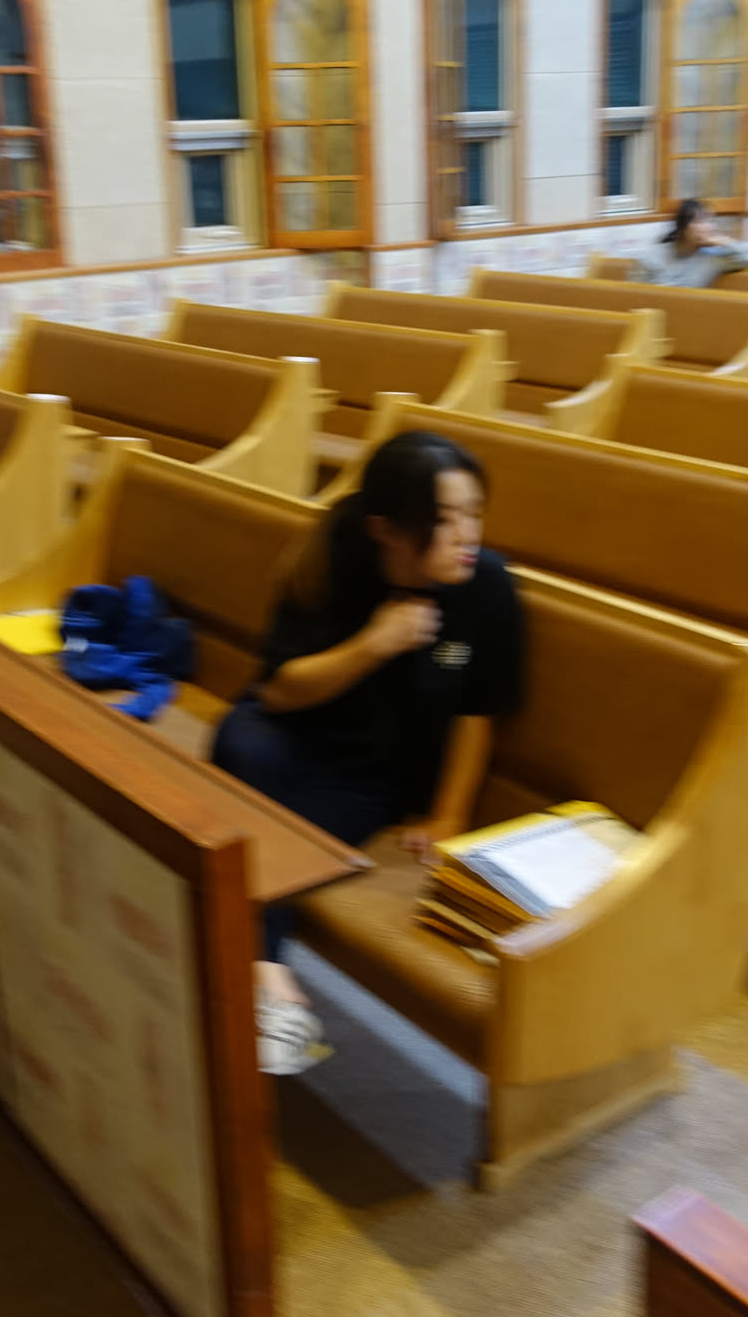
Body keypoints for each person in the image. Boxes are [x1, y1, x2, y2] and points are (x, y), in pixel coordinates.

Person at [212, 431, 524, 1073]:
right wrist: (375, 643)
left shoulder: (485, 588)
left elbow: (477, 714)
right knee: (242, 743)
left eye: (474, 513)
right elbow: (280, 690)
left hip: (377, 774)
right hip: (299, 733)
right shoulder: (334, 557)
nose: (467, 535)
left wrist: (449, 815)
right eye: (444, 521)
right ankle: (261, 971)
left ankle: (260, 974)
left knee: (257, 830)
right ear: (386, 529)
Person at [633, 198, 748, 287]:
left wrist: (725, 242)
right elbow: (636, 292)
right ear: (683, 227)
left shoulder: (712, 259)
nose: (709, 227)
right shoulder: (654, 255)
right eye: (700, 221)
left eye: (710, 221)